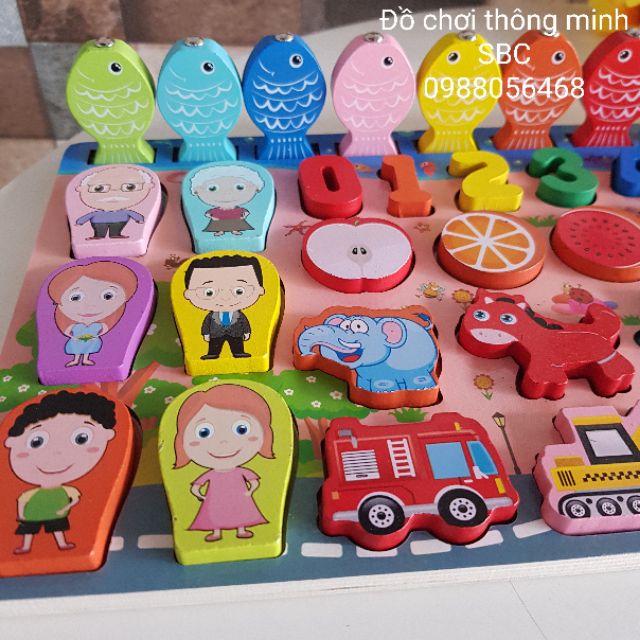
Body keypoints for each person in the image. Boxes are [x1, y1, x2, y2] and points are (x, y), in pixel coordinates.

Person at [4, 390, 117, 554]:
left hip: (59, 515)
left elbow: (75, 499)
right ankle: (26, 547)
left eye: (81, 438)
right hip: (33, 513)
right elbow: (21, 501)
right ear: (11, 443)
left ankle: (60, 544)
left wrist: (65, 508)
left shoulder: (67, 490)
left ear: (107, 435)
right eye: (36, 442)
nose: (56, 453)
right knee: (30, 529)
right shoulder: (33, 493)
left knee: (57, 527)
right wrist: (21, 515)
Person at [173, 384, 274, 541]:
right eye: (203, 432)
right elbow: (196, 486)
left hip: (236, 497)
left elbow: (254, 481)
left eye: (242, 429)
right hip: (215, 499)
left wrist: (250, 491)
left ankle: (240, 529)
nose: (223, 442)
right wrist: (200, 496)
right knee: (215, 513)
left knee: (241, 511)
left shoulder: (240, 472)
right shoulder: (211, 474)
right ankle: (216, 532)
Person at [48, 261, 138, 367]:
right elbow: (67, 331)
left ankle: (85, 359)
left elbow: (104, 329)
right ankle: (75, 360)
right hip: (77, 341)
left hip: (92, 341)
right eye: (75, 297)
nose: (90, 306)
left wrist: (97, 335)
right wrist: (73, 337)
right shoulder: (74, 325)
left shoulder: (99, 325)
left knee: (88, 350)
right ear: (58, 302)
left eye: (108, 296)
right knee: (77, 350)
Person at [183, 255, 265, 360]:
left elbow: (244, 322)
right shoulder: (211, 316)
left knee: (237, 344)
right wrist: (206, 334)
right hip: (216, 333)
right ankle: (212, 354)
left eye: (239, 291)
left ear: (260, 290)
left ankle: (239, 352)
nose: (225, 298)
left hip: (235, 333)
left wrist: (247, 332)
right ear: (188, 294)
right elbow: (206, 324)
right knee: (214, 345)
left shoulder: (239, 315)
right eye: (209, 292)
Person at [75, 165, 154, 240]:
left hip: (118, 219)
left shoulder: (124, 212)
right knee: (100, 230)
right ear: (81, 189)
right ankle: (99, 236)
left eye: (130, 187)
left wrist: (139, 219)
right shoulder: (97, 213)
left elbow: (133, 214)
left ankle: (115, 234)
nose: (114, 192)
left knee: (116, 229)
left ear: (148, 186)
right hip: (101, 220)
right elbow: (88, 216)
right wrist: (80, 222)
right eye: (98, 188)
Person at [189, 164, 264, 236]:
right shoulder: (216, 211)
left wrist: (243, 216)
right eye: (212, 188)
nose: (226, 194)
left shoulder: (238, 210)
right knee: (218, 225)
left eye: (240, 187)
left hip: (235, 216)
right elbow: (208, 214)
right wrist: (212, 217)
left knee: (236, 223)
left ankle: (235, 230)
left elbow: (245, 212)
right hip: (219, 218)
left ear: (256, 188)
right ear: (196, 191)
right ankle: (220, 231)